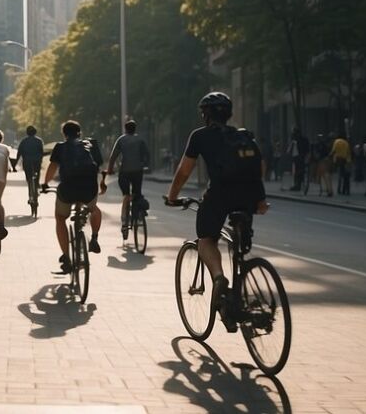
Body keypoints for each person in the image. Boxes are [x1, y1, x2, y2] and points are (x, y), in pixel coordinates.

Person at [165, 92, 268, 332]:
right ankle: (241, 297)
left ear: (205, 115)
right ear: (229, 114)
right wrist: (259, 199)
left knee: (206, 239)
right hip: (250, 195)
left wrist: (172, 196)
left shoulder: (200, 136)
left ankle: (219, 278)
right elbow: (259, 166)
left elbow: (183, 171)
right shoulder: (242, 136)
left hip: (220, 194)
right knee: (240, 247)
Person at [42, 120, 106, 271]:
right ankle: (95, 238)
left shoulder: (60, 147)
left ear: (64, 134)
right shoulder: (91, 145)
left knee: (60, 218)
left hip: (68, 189)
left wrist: (45, 184)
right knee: (94, 209)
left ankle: (66, 256)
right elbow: (101, 168)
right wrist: (102, 183)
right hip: (89, 189)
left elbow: (53, 168)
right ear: (80, 132)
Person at [106, 119, 151, 240]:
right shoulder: (141, 140)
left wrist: (110, 169)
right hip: (138, 171)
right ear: (135, 129)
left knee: (126, 196)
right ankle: (139, 213)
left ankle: (125, 223)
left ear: (125, 129)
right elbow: (147, 154)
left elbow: (113, 157)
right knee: (137, 193)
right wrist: (145, 165)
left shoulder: (121, 139)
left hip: (124, 172)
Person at [14, 126, 45, 202]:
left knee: (29, 178)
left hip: (27, 162)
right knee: (37, 174)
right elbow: (42, 152)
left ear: (27, 132)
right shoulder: (39, 141)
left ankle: (30, 195)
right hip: (37, 161)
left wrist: (14, 165)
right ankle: (37, 187)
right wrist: (41, 160)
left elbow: (19, 153)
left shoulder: (24, 141)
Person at [288, 127, 309, 191]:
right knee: (298, 171)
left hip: (299, 157)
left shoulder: (297, 140)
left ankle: (298, 185)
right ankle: (298, 184)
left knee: (298, 171)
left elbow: (291, 149)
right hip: (299, 157)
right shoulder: (298, 140)